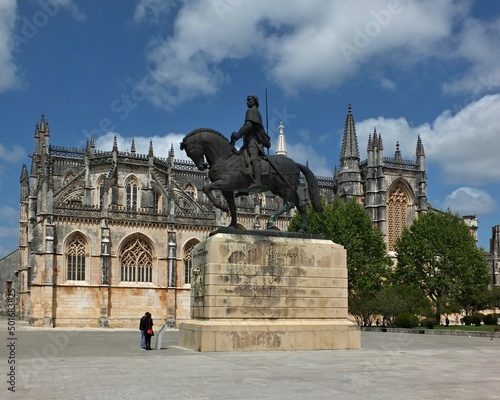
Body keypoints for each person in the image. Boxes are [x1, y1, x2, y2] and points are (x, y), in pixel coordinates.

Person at [231, 95, 271, 189]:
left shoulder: (252, 111)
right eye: (247, 100)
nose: (247, 102)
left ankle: (257, 181)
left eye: (249, 100)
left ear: (255, 101)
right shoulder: (254, 112)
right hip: (248, 141)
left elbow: (248, 126)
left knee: (253, 158)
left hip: (253, 142)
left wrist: (237, 134)